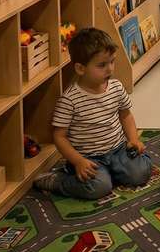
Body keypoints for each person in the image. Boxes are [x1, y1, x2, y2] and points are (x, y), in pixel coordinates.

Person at [34, 28, 151, 199]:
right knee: (99, 187)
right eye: (102, 65)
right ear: (80, 68)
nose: (110, 69)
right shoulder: (69, 100)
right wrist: (78, 161)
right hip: (88, 158)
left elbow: (126, 115)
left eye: (112, 62)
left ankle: (112, 172)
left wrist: (133, 139)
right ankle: (58, 181)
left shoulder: (116, 87)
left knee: (140, 174)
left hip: (118, 150)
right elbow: (59, 137)